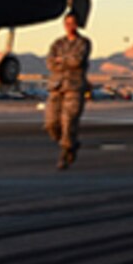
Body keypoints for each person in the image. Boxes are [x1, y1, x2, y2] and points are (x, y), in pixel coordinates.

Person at [43, 10, 92, 170]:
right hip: (56, 86)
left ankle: (65, 153)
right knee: (51, 123)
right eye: (67, 23)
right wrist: (64, 61)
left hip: (74, 87)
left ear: (77, 24)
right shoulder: (58, 43)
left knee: (68, 121)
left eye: (72, 23)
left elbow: (77, 61)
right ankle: (71, 143)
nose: (69, 27)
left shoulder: (83, 42)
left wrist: (60, 60)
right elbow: (50, 63)